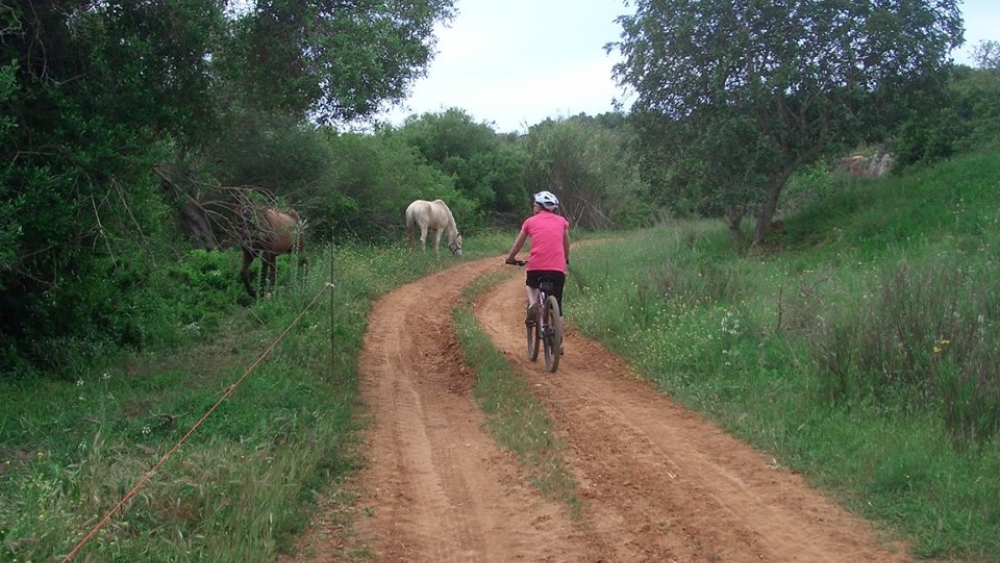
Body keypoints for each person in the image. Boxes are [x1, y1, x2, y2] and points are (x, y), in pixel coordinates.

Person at [504, 190, 570, 325]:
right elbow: (566, 245)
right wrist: (566, 259)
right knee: (558, 304)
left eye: (535, 204)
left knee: (531, 285)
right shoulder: (562, 222)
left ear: (540, 207)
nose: (533, 206)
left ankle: (533, 304)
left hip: (536, 267)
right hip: (558, 268)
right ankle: (559, 341)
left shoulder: (530, 222)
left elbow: (518, 245)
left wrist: (510, 258)